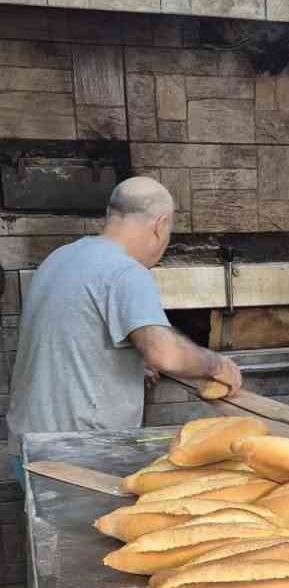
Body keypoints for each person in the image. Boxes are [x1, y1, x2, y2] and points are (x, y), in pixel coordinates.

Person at [7, 176, 242, 483]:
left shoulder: (61, 257)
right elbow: (165, 354)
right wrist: (216, 364)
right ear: (159, 225)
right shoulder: (126, 272)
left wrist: (123, 363)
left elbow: (69, 338)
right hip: (76, 458)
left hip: (28, 447)